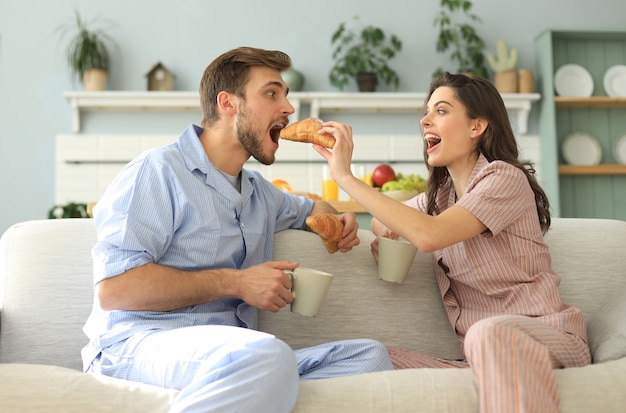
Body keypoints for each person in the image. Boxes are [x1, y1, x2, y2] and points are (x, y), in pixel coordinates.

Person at [81, 46, 393, 413]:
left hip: (237, 354)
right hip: (140, 344)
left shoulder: (260, 193)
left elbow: (314, 209)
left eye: (287, 96)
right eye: (272, 93)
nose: (289, 109)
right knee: (266, 356)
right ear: (228, 103)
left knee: (370, 358)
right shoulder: (157, 171)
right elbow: (115, 290)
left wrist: (336, 223)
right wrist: (238, 283)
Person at [314, 72, 591, 413]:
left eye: (441, 111)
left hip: (548, 338)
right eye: (427, 111)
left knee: (489, 334)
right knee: (368, 355)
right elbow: (391, 220)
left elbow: (431, 236)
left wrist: (344, 176)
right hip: (479, 354)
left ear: (477, 127)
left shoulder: (504, 178)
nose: (425, 120)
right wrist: (391, 234)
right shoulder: (441, 198)